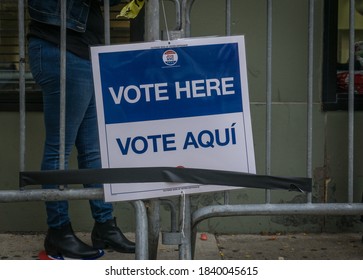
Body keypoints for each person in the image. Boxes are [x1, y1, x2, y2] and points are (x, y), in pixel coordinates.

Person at [27, 0, 135, 259]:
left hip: (82, 51)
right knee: (59, 148)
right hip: (62, 48)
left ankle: (104, 225)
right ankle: (59, 232)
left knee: (91, 151)